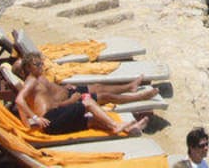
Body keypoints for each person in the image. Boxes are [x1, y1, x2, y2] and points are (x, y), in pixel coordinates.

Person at [14, 52, 148, 136]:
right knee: (88, 102)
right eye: (37, 64)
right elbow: (19, 100)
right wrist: (35, 118)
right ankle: (116, 125)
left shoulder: (38, 79)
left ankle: (130, 129)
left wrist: (26, 126)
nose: (41, 66)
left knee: (93, 121)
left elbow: (24, 105)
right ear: (28, 67)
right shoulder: (31, 81)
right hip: (51, 119)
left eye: (41, 64)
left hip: (55, 122)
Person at [10, 56, 159, 107]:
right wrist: (71, 101)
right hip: (70, 101)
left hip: (68, 92)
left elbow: (51, 88)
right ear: (23, 71)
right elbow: (50, 106)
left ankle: (130, 86)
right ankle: (139, 97)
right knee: (104, 96)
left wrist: (64, 86)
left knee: (98, 86)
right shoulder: (30, 87)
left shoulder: (36, 78)